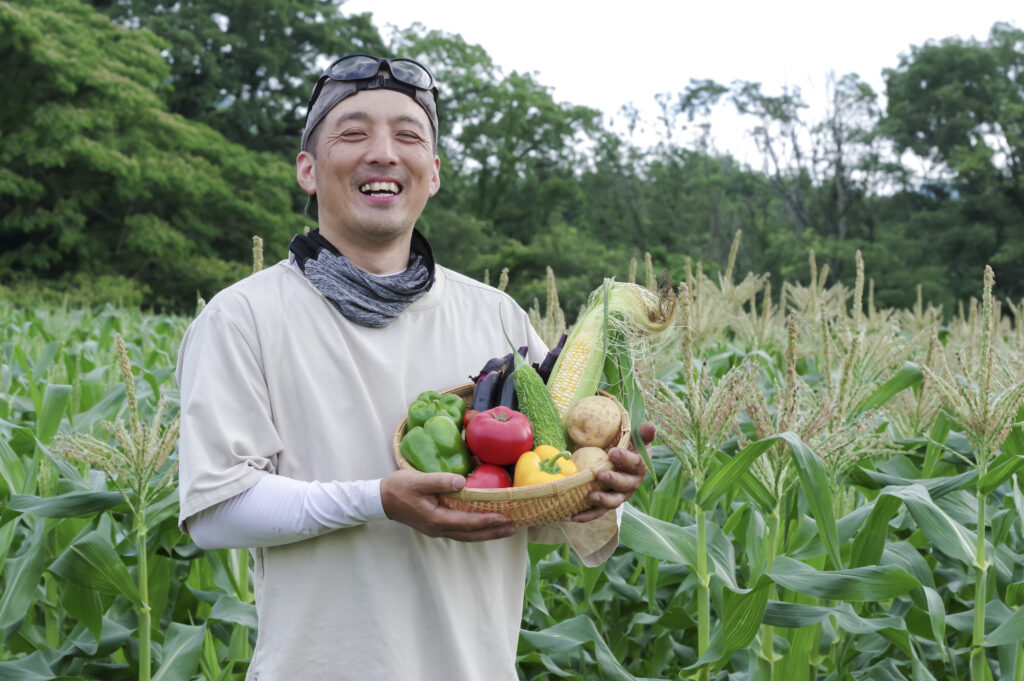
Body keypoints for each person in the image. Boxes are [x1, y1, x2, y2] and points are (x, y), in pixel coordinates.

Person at [175, 53, 650, 681]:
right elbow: (215, 510)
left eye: (408, 135)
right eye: (353, 133)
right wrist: (377, 501)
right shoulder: (243, 319)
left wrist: (597, 492)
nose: (383, 153)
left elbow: (537, 496)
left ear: (433, 174)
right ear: (308, 170)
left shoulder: (498, 318)